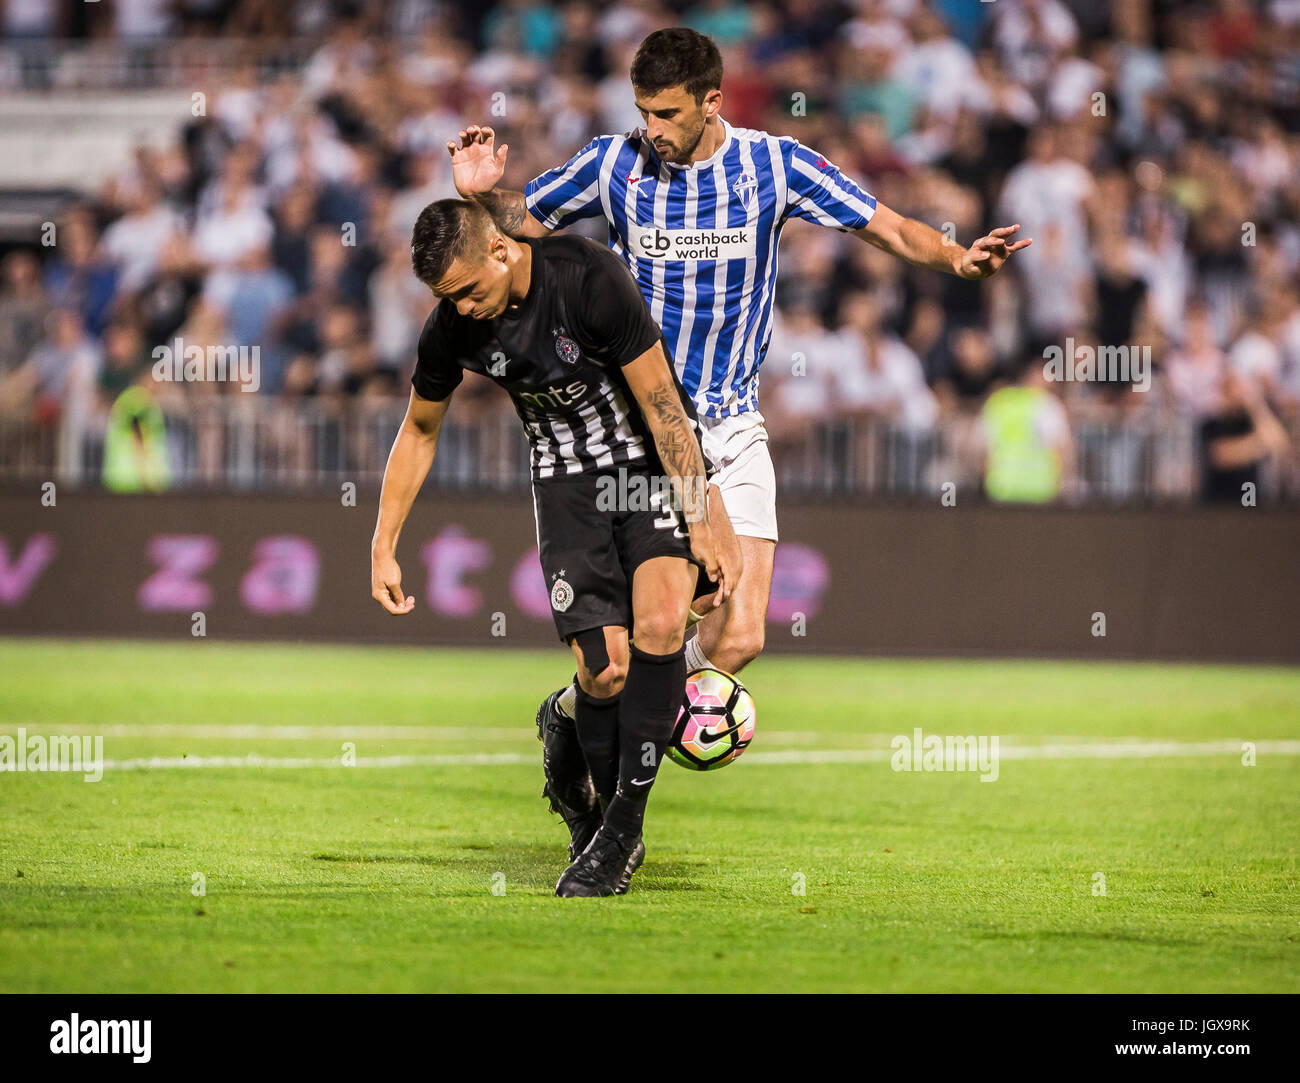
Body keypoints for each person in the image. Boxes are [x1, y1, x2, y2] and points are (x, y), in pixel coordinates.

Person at [448, 26, 1032, 858]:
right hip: (642, 431)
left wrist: (957, 258)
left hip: (731, 421)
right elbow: (518, 229)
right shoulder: (614, 164)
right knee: (632, 645)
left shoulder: (774, 166)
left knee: (739, 636)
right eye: (643, 109)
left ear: (712, 102)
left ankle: (580, 715)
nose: (651, 126)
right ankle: (600, 741)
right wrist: (477, 196)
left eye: (667, 112)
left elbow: (885, 224)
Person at [370, 198, 739, 896]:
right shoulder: (453, 326)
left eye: (470, 290)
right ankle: (581, 776)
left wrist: (699, 515)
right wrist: (383, 544)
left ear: (503, 252)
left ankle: (620, 833)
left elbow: (663, 403)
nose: (465, 309)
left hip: (643, 472)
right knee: (604, 674)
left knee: (662, 625)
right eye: (450, 298)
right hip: (565, 487)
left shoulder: (588, 278)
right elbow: (419, 430)